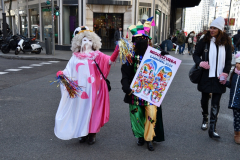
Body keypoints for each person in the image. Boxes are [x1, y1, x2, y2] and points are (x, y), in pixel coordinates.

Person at [54, 26, 119, 145]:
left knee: (93, 111)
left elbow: (109, 61)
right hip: (80, 92)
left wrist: (117, 50)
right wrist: (61, 74)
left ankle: (92, 134)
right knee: (80, 111)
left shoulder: (97, 55)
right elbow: (68, 70)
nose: (87, 42)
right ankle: (82, 133)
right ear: (79, 42)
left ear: (94, 42)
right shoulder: (74, 57)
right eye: (84, 40)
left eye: (90, 40)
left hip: (94, 91)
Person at [121, 20, 166, 151]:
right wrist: (126, 87)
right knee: (136, 116)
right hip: (134, 93)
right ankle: (140, 136)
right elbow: (125, 74)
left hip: (150, 93)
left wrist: (164, 56)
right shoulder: (130, 57)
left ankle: (149, 138)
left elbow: (164, 68)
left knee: (151, 114)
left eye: (144, 39)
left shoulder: (154, 54)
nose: (141, 41)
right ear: (134, 41)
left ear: (148, 40)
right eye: (138, 39)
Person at [193, 17, 232, 139]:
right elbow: (195, 54)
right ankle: (205, 118)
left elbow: (228, 60)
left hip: (219, 77)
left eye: (214, 28)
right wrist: (200, 63)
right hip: (206, 75)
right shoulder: (204, 40)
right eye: (211, 27)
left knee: (216, 102)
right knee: (205, 100)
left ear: (220, 29)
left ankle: (212, 128)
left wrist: (225, 73)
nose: (211, 30)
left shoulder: (226, 42)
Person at [225, 53, 240, 144]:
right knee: (237, 119)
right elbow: (231, 85)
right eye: (237, 64)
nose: (238, 66)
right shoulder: (234, 74)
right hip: (236, 102)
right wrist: (224, 82)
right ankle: (237, 134)